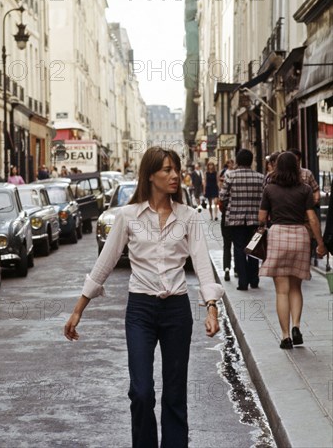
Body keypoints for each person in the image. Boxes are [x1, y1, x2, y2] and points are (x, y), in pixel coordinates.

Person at [64, 147, 224, 448]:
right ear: (150, 175)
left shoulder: (189, 217)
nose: (175, 175)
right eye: (166, 169)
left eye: (176, 168)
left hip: (177, 310)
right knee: (141, 392)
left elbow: (203, 264)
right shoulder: (128, 216)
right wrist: (78, 310)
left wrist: (211, 308)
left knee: (175, 394)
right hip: (140, 310)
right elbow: (105, 263)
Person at [258, 152, 327, 349]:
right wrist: (320, 243)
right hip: (299, 235)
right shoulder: (305, 189)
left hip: (278, 234)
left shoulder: (270, 189)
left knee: (282, 291)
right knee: (296, 288)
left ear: (277, 168)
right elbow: (312, 218)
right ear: (297, 168)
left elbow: (262, 218)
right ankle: (297, 326)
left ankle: (285, 336)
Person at [219, 149, 264, 291]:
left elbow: (222, 197)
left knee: (238, 248)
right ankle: (254, 280)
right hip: (255, 219)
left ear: (237, 161)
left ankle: (243, 282)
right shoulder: (260, 177)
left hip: (235, 219)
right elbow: (264, 199)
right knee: (253, 248)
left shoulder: (230, 176)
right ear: (251, 161)